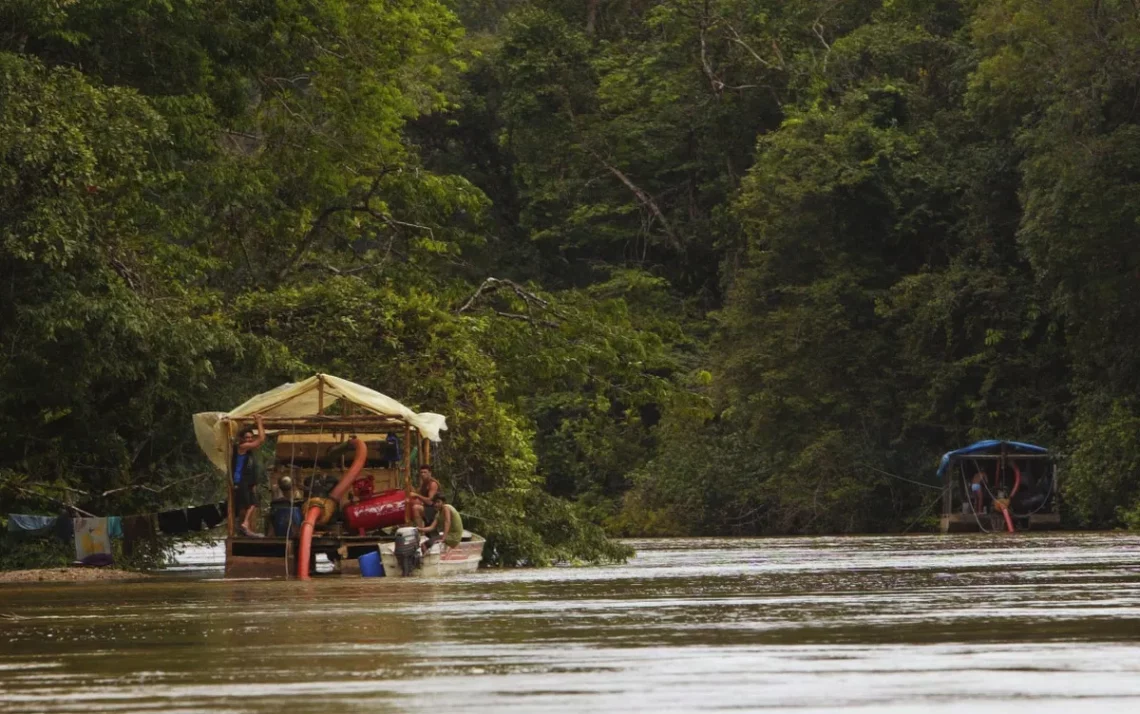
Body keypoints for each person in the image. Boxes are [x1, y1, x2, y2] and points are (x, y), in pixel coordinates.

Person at [233, 414, 266, 537]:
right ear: (242, 439)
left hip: (246, 481)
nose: (249, 440)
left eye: (251, 437)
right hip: (240, 480)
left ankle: (245, 524)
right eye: (247, 437)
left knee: (253, 503)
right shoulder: (242, 447)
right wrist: (259, 422)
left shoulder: (248, 451)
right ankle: (244, 525)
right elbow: (261, 439)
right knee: (247, 504)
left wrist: (252, 483)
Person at [409, 464, 440, 529]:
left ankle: (421, 530)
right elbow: (417, 494)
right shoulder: (424, 483)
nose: (423, 474)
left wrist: (416, 495)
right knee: (411, 503)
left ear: (430, 473)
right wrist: (410, 487)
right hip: (427, 508)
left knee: (416, 508)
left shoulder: (433, 484)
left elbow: (430, 502)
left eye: (425, 472)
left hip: (435, 509)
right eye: (421, 472)